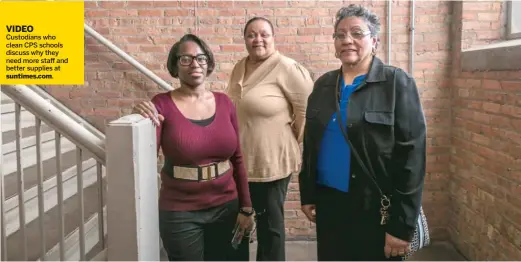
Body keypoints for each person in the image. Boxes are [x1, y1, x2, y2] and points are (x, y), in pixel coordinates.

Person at [298, 4, 427, 261]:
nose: (347, 40)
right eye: (340, 35)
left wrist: (401, 226)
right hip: (330, 204)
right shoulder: (323, 85)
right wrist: (308, 193)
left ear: (374, 40)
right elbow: (312, 146)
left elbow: (413, 158)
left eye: (357, 33)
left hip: (376, 209)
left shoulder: (396, 84)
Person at [132, 34, 254, 261]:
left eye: (200, 58)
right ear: (175, 66)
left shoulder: (225, 102)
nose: (194, 64)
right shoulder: (161, 104)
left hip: (227, 206)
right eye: (185, 59)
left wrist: (246, 207)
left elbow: (237, 158)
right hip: (181, 211)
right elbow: (144, 158)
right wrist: (139, 116)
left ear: (208, 63)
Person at [226, 17, 314, 261]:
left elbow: (306, 112)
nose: (258, 40)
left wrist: (282, 139)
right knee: (242, 220)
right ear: (245, 40)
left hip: (271, 161)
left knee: (269, 225)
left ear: (273, 38)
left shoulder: (287, 68)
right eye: (251, 35)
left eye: (264, 34)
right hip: (242, 161)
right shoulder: (239, 67)